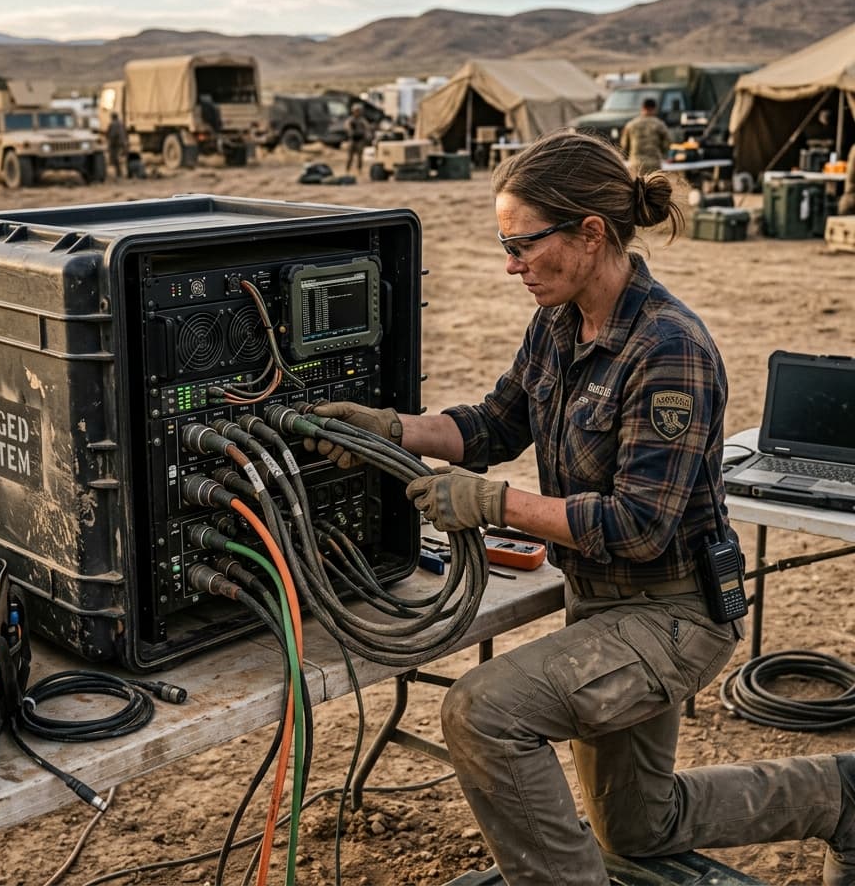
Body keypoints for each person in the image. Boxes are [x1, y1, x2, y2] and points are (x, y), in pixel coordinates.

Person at [309, 128, 854, 886]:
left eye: (525, 245)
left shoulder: (670, 347)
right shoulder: (559, 322)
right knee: (638, 825)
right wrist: (392, 428)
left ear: (590, 233)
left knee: (484, 713)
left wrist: (492, 503)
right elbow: (494, 424)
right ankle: (840, 794)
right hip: (603, 605)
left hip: (674, 615)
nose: (511, 266)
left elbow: (637, 523)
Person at [620, 96, 670, 176]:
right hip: (654, 164)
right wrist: (663, 155)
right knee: (654, 186)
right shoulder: (660, 125)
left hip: (636, 164)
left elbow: (624, 145)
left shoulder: (631, 125)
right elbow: (667, 143)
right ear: (654, 109)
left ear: (643, 107)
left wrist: (626, 158)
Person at [344, 103, 370, 173]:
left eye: (358, 111)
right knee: (350, 157)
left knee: (359, 157)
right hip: (353, 139)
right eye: (356, 111)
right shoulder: (351, 120)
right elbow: (347, 127)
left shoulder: (362, 120)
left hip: (360, 140)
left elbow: (367, 128)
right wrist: (350, 130)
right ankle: (347, 170)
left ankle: (359, 170)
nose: (357, 112)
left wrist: (366, 134)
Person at [106, 112, 128, 178]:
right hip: (121, 143)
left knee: (115, 158)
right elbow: (125, 133)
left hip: (115, 143)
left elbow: (112, 135)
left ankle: (119, 173)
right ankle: (119, 173)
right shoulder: (121, 123)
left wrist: (110, 143)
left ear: (112, 117)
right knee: (118, 158)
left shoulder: (113, 124)